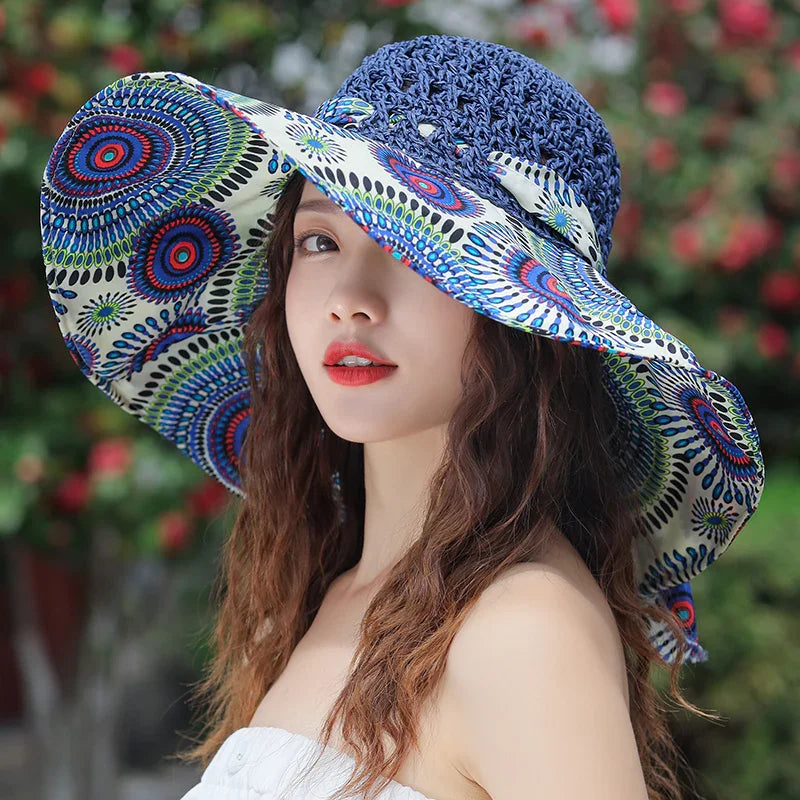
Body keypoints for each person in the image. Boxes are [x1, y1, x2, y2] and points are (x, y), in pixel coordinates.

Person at [40, 34, 765, 800]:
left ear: (524, 316)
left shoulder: (523, 628)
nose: (351, 299)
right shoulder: (322, 597)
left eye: (417, 249)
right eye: (320, 240)